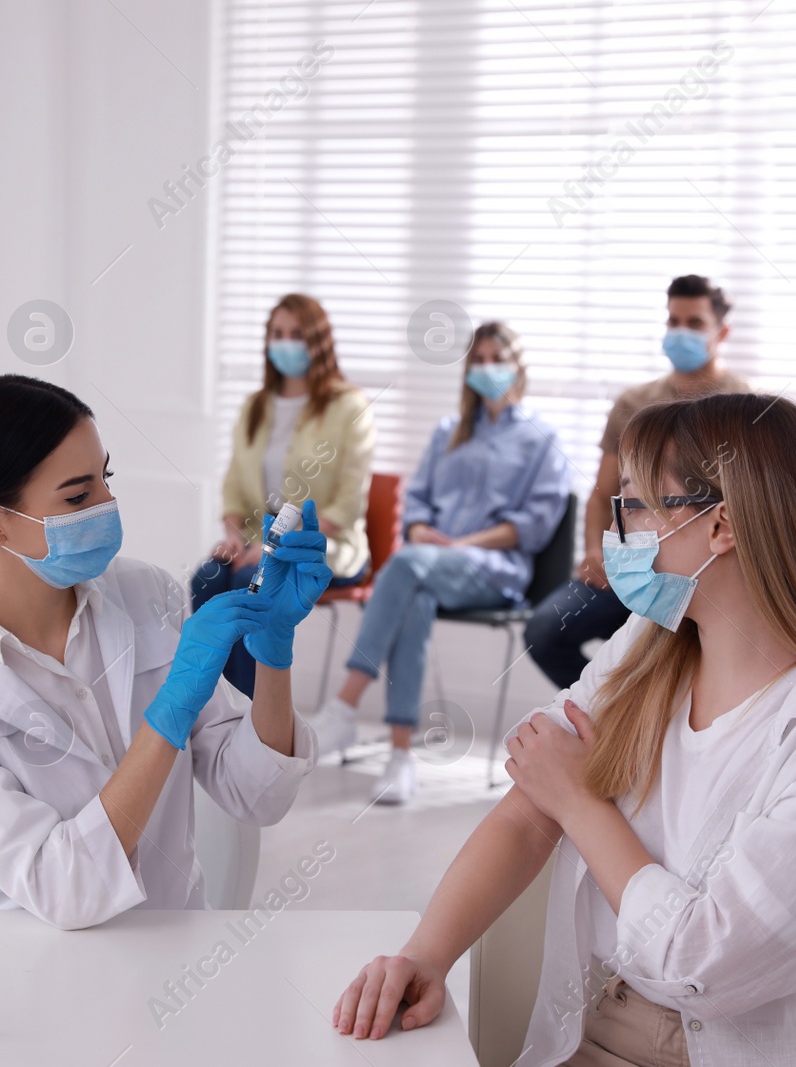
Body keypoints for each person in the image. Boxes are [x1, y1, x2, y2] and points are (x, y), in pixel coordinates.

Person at [331, 392, 796, 1066]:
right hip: (602, 1026)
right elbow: (528, 811)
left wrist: (579, 802)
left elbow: (706, 964)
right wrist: (425, 954)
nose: (618, 534)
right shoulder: (645, 647)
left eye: (638, 506)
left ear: (722, 525)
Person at [0, 375, 329, 928]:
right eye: (78, 496)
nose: (108, 506)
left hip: (171, 955)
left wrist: (274, 654)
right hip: (21, 968)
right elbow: (66, 889)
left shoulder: (147, 594)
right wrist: (170, 710)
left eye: (105, 479)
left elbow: (256, 796)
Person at [305, 323, 570, 804]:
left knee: (408, 568)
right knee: (416, 594)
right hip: (427, 566)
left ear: (517, 368)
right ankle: (401, 757)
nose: (487, 368)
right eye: (479, 360)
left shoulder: (541, 439)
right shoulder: (449, 432)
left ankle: (345, 705)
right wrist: (420, 531)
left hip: (494, 570)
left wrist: (463, 543)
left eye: (497, 358)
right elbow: (419, 501)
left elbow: (535, 523)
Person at [525, 275, 749, 689]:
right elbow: (602, 494)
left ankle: (645, 717)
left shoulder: (740, 406)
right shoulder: (632, 404)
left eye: (694, 323)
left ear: (723, 332)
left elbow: (742, 507)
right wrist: (596, 550)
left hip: (695, 574)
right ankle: (615, 713)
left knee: (662, 650)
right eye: (673, 321)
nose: (680, 332)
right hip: (627, 565)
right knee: (543, 632)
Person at [193, 293, 375, 697]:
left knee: (249, 580)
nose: (286, 343)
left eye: (296, 334)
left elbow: (345, 505)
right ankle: (208, 703)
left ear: (317, 341)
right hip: (256, 540)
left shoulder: (349, 407)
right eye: (277, 333)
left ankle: (249, 715)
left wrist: (274, 546)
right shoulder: (254, 407)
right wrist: (235, 535)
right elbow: (235, 490)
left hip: (323, 542)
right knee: (207, 578)